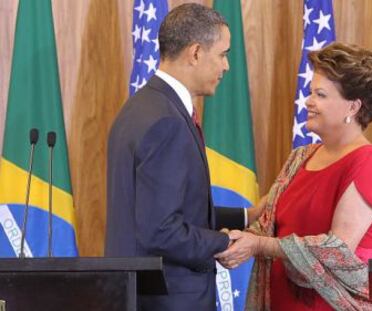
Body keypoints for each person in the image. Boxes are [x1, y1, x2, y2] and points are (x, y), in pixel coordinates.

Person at [105, 3, 264, 311]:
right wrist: (226, 243)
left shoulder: (140, 108)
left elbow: (166, 208)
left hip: (142, 295)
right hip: (169, 299)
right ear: (195, 53)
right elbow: (161, 230)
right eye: (222, 54)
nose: (226, 66)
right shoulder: (167, 122)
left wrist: (247, 217)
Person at [215, 42, 372, 310]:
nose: (308, 101)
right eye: (311, 92)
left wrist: (259, 245)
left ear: (353, 107)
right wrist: (233, 241)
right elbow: (263, 223)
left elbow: (336, 250)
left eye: (320, 95)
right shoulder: (300, 157)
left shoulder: (368, 162)